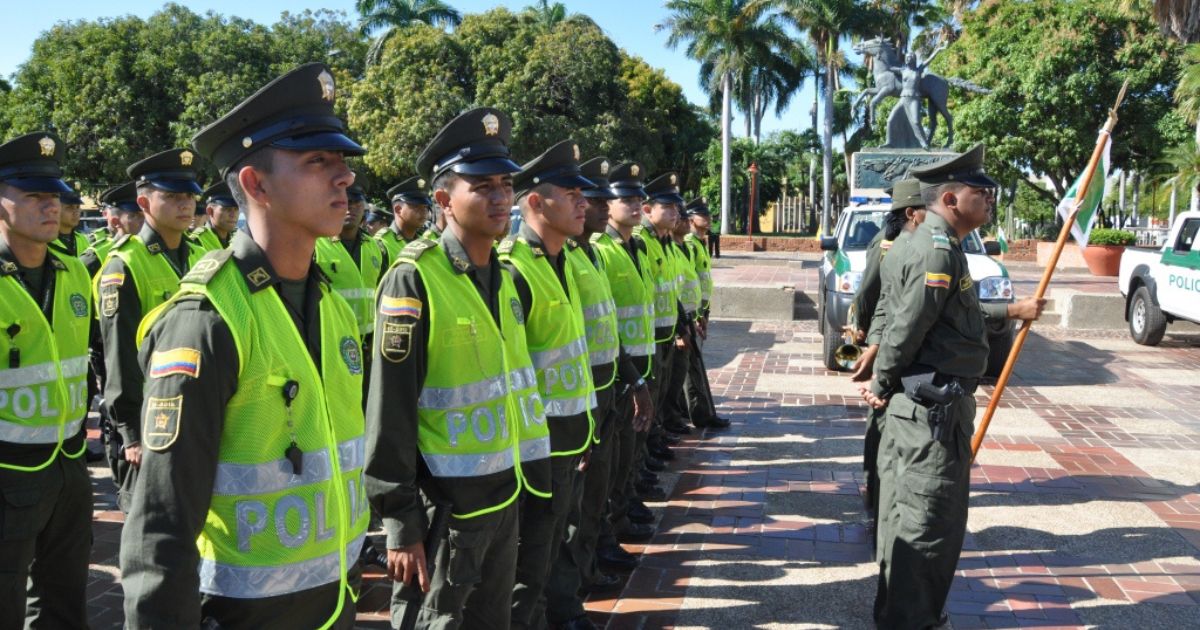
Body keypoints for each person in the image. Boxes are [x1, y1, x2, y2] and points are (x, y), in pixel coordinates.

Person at [119, 62, 369, 628]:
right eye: (318, 162)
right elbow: (161, 524)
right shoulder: (207, 321)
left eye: (342, 163)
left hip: (334, 600)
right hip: (245, 612)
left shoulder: (326, 300)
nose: (345, 179)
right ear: (256, 184)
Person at [365, 107, 551, 630]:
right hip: (445, 511)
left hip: (503, 494)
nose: (499, 197)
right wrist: (399, 520)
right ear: (444, 201)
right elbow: (390, 407)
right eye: (483, 186)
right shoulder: (414, 280)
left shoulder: (504, 276)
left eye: (505, 184)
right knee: (435, 621)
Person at [863, 146, 1043, 628]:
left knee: (910, 518)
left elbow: (946, 318)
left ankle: (904, 615)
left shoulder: (941, 244)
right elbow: (907, 325)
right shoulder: (936, 249)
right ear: (949, 197)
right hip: (930, 410)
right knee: (927, 525)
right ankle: (912, 620)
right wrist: (881, 382)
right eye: (979, 192)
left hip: (929, 404)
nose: (988, 200)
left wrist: (1010, 312)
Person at [496, 140, 597, 630]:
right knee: (528, 567)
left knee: (557, 546)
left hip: (569, 436)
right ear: (535, 202)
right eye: (572, 192)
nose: (584, 201)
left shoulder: (562, 262)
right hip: (536, 449)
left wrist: (586, 428)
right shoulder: (512, 270)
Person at [0, 131, 93, 629]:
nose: (50, 206)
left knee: (65, 595)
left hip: (70, 463)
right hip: (7, 470)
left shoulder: (75, 272)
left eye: (54, 195)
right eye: (33, 195)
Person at [97, 148, 205, 512]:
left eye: (189, 195)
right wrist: (131, 433)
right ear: (143, 202)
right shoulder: (124, 265)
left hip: (195, 409)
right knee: (151, 525)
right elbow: (120, 356)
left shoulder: (200, 256)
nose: (185, 204)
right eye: (172, 196)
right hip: (150, 417)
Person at [589, 162, 658, 566]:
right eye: (625, 199)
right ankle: (604, 538)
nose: (635, 205)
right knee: (604, 472)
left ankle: (616, 521)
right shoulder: (601, 251)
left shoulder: (634, 246)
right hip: (607, 376)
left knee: (623, 456)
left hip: (634, 363)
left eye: (638, 199)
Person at [680, 199, 727, 429]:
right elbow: (687, 283)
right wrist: (695, 316)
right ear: (690, 219)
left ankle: (702, 411)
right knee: (692, 367)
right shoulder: (689, 243)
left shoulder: (699, 242)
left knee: (695, 365)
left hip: (697, 312)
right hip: (688, 314)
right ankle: (700, 413)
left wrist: (704, 312)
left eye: (708, 215)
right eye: (701, 215)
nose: (707, 219)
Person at [377, 175, 432, 261]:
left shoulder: (424, 242)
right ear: (398, 209)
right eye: (416, 206)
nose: (424, 211)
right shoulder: (382, 244)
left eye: (425, 206)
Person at [190, 181, 240, 251]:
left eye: (236, 209)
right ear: (210, 211)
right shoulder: (197, 241)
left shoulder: (239, 238)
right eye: (227, 209)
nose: (233, 215)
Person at [51, 189, 88, 257]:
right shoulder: (46, 240)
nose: (76, 212)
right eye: (69, 207)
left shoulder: (83, 239)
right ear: (56, 209)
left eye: (78, 207)